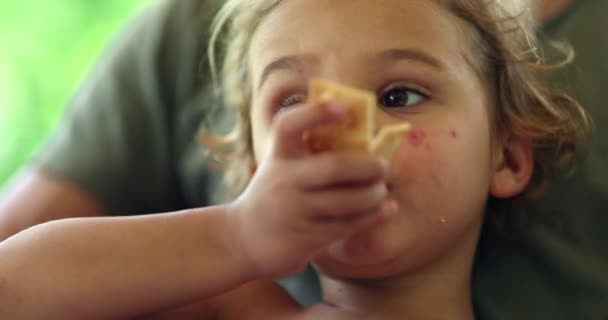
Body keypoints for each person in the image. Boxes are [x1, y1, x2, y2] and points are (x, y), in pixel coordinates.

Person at [0, 0, 605, 318]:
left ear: (507, 156)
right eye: (292, 105)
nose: (342, 133)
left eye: (399, 96)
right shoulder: (238, 310)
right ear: (254, 169)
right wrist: (236, 237)